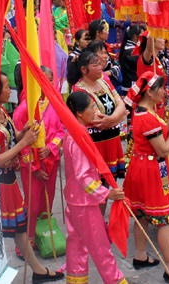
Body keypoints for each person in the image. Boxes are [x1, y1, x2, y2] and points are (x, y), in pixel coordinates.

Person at [0, 73, 63, 282]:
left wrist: (24, 132)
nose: (10, 90)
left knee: (19, 226)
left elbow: (14, 137)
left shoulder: (3, 112)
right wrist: (24, 143)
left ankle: (37, 270)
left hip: (10, 179)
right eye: (6, 87)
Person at [124, 73, 169, 284]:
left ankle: (140, 255)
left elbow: (163, 130)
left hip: (142, 166)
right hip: (152, 169)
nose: (165, 92)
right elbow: (163, 149)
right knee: (164, 220)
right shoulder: (146, 117)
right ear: (149, 92)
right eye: (161, 88)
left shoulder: (145, 110)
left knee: (141, 214)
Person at [62, 91, 127, 284]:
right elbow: (83, 178)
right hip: (85, 203)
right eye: (92, 107)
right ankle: (115, 280)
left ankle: (76, 280)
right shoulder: (78, 138)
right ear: (79, 113)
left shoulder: (72, 134)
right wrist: (107, 194)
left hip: (74, 199)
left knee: (76, 243)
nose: (95, 111)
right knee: (100, 246)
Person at [13, 66, 65, 243]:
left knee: (47, 201)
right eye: (45, 80)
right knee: (33, 204)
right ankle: (27, 242)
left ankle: (45, 238)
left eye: (51, 80)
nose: (49, 84)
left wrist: (51, 147)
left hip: (51, 159)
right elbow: (21, 143)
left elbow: (61, 129)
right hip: (32, 164)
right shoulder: (24, 108)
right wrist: (33, 169)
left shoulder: (54, 103)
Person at [73, 51, 127, 178]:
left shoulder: (105, 83)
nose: (100, 67)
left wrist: (113, 118)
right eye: (95, 65)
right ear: (83, 69)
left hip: (112, 141)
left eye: (99, 64)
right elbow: (98, 121)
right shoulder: (80, 90)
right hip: (96, 144)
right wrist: (120, 118)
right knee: (97, 181)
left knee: (110, 181)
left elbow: (121, 104)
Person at [120, 24, 144, 94]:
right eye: (142, 36)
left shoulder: (131, 48)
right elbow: (142, 64)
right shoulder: (130, 51)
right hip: (131, 86)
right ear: (135, 36)